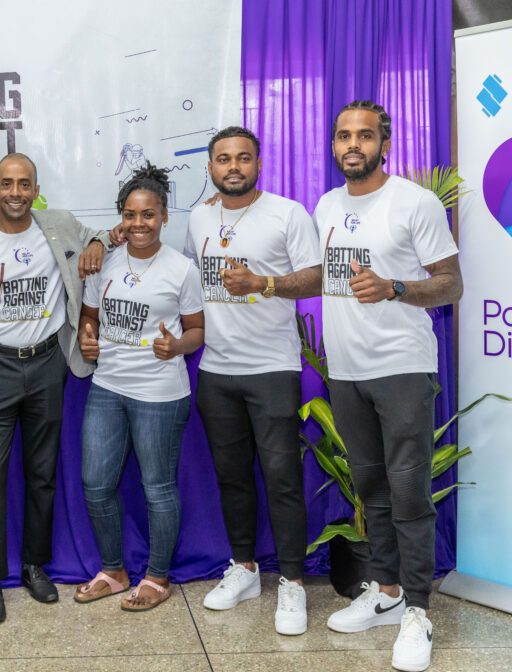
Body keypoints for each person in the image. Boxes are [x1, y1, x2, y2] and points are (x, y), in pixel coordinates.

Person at [317, 101, 462, 672]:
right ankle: (385, 591)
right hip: (347, 371)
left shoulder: (415, 202)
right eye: (344, 136)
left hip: (401, 367)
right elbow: (318, 274)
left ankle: (418, 613)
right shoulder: (326, 204)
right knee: (371, 486)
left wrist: (397, 288)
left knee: (407, 492)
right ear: (334, 146)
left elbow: (450, 284)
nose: (353, 144)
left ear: (385, 143)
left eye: (365, 135)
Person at [0, 152, 110, 622]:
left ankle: (36, 565)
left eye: (25, 184)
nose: (16, 192)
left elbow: (100, 235)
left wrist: (96, 243)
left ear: (36, 189)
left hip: (46, 366)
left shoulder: (57, 223)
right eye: (7, 184)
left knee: (42, 473)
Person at [184, 126, 321, 635]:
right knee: (233, 477)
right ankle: (244, 568)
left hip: (273, 369)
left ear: (259, 164)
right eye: (223, 159)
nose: (233, 166)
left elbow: (317, 276)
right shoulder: (199, 216)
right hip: (217, 371)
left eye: (243, 158)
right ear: (211, 167)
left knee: (282, 479)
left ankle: (292, 583)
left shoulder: (287, 213)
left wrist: (263, 282)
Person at [73, 162, 205, 611]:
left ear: (165, 217)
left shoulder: (182, 269)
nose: (138, 223)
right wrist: (85, 337)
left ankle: (156, 577)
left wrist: (178, 347)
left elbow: (196, 332)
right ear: (120, 219)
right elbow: (90, 317)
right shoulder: (103, 262)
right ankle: (113, 570)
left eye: (148, 214)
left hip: (160, 395)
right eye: (130, 215)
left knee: (158, 488)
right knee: (95, 484)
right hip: (107, 387)